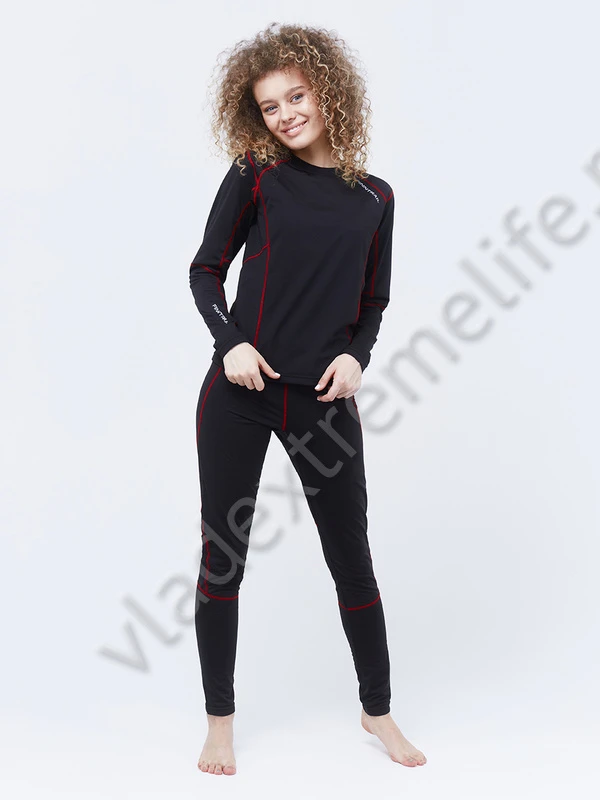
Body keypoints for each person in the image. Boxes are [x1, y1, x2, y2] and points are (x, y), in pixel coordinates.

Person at [189, 22, 427, 775]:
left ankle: (377, 709)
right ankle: (219, 722)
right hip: (240, 393)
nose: (286, 114)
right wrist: (231, 342)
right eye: (270, 106)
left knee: (351, 558)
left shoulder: (376, 198)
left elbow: (373, 302)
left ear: (328, 93)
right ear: (255, 116)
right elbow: (205, 269)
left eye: (297, 96)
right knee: (223, 558)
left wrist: (357, 358)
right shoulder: (257, 173)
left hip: (323, 403)